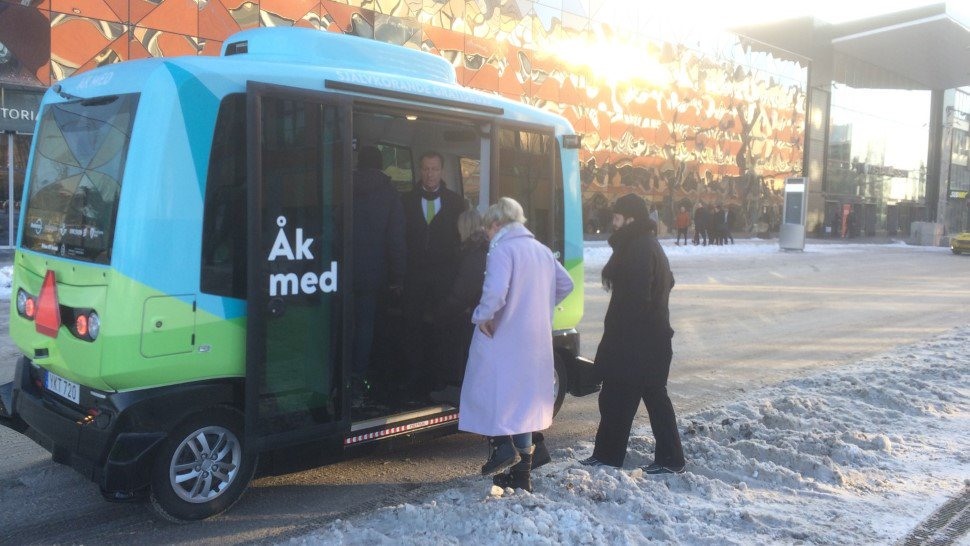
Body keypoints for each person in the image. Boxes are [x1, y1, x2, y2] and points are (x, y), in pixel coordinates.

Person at [459, 197, 574, 492]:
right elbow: (566, 285)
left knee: (487, 391)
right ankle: (522, 475)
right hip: (535, 339)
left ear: (498, 224)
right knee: (523, 406)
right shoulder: (542, 251)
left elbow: (495, 291)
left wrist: (482, 315)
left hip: (502, 336)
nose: (486, 233)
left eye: (488, 227)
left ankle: (502, 449)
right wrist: (538, 305)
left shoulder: (502, 248)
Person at [581, 193, 685, 474]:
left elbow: (635, 301)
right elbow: (667, 281)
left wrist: (616, 344)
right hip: (649, 340)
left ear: (630, 219)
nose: (613, 223)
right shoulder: (645, 245)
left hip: (639, 343)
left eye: (616, 217)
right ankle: (662, 458)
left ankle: (659, 459)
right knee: (634, 398)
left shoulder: (639, 248)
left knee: (625, 398)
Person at [400, 151, 465, 393]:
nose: (429, 174)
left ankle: (440, 377)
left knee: (443, 325)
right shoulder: (405, 201)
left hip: (444, 274)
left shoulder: (457, 202)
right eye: (426, 169)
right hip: (414, 273)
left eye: (434, 169)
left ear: (442, 171)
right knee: (411, 325)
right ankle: (412, 375)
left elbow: (462, 239)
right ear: (420, 170)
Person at [351, 146, 406, 398]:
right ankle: (359, 378)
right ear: (381, 165)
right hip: (374, 273)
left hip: (342, 270)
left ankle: (337, 376)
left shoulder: (343, 186)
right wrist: (397, 277)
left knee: (342, 325)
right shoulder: (390, 193)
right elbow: (396, 239)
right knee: (365, 326)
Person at [430, 207, 489, 405]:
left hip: (468, 316)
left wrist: (439, 314)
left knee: (457, 347)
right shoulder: (480, 250)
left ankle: (456, 391)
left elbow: (461, 294)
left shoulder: (473, 254)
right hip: (473, 313)